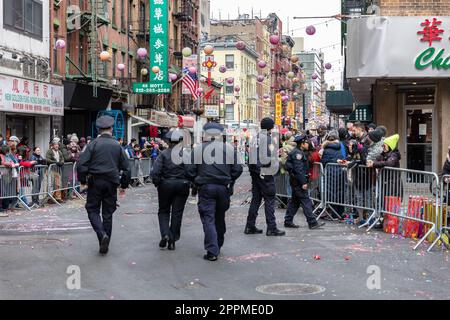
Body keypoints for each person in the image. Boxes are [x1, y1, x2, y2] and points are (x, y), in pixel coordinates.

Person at [186, 122, 243, 261]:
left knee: (208, 218)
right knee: (219, 216)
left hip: (206, 187)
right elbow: (238, 169)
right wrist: (229, 178)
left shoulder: (199, 149)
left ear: (206, 134)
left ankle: (212, 250)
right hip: (223, 188)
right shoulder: (229, 149)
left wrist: (196, 179)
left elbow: (190, 169)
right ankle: (218, 243)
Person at [76, 116, 131, 255]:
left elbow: (81, 164)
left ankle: (101, 235)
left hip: (95, 181)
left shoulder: (92, 145)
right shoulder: (118, 146)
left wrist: (82, 181)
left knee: (92, 209)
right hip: (112, 182)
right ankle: (105, 241)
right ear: (111, 129)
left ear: (98, 129)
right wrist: (124, 185)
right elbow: (127, 167)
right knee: (108, 213)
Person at [245, 117, 285, 237]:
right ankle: (271, 228)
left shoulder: (254, 138)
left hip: (255, 172)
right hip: (265, 172)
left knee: (256, 199)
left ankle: (250, 225)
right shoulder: (269, 139)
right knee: (269, 199)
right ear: (270, 127)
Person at [151, 129, 190, 251]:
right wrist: (190, 183)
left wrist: (158, 183)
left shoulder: (163, 155)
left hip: (166, 185)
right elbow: (190, 171)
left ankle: (165, 234)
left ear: (168, 141)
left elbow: (155, 172)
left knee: (163, 211)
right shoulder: (186, 155)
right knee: (177, 213)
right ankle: (172, 240)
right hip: (182, 185)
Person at [284, 134, 325, 229]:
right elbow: (299, 170)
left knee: (294, 202)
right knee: (306, 201)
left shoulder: (298, 152)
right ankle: (312, 222)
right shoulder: (298, 154)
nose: (308, 144)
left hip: (296, 181)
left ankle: (288, 221)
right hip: (298, 181)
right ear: (302, 144)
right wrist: (303, 182)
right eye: (306, 142)